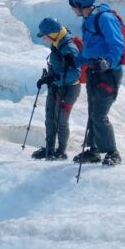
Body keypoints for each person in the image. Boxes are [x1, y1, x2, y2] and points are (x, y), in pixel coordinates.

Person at [68, 0, 125, 166]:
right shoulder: (88, 19)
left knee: (99, 114)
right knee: (93, 112)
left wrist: (107, 62)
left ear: (79, 2)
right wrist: (75, 62)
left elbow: (118, 45)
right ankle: (93, 151)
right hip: (94, 72)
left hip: (108, 73)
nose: (72, 8)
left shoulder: (105, 19)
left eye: (73, 4)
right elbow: (89, 50)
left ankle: (112, 152)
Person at [32, 17, 81, 161]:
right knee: (50, 118)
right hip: (56, 87)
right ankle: (49, 149)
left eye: (45, 36)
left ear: (53, 34)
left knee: (61, 120)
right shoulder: (57, 43)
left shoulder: (68, 47)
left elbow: (75, 73)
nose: (44, 39)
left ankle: (60, 152)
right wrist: (49, 78)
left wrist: (56, 78)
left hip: (68, 89)